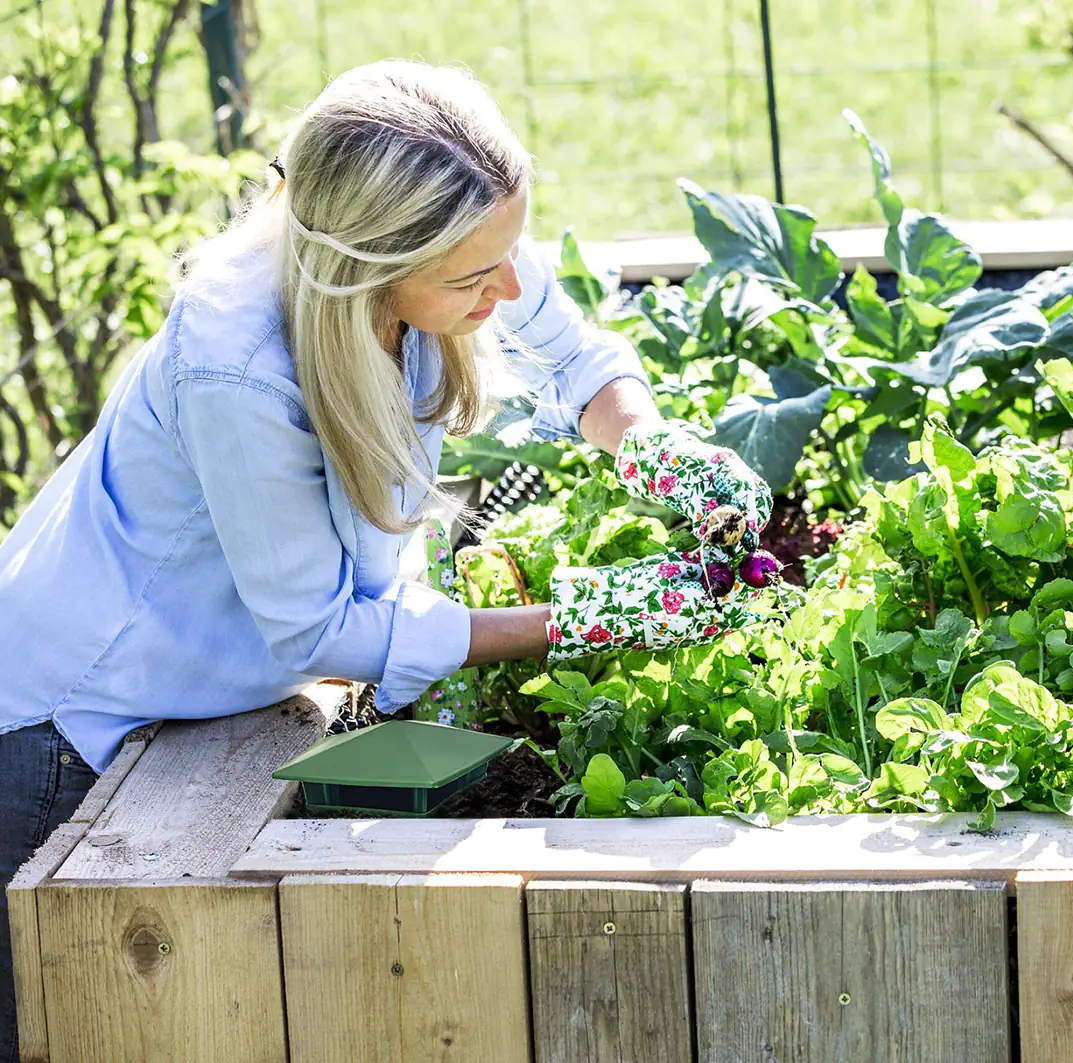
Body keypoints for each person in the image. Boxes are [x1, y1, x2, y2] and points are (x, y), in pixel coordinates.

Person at [0, 59, 773, 1061]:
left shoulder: (450, 241)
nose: (504, 285)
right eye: (471, 277)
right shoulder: (238, 364)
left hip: (205, 693)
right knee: (70, 1031)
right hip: (76, 723)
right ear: (369, 266)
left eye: (508, 252)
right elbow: (318, 629)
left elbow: (573, 355)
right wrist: (577, 621)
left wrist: (658, 449)